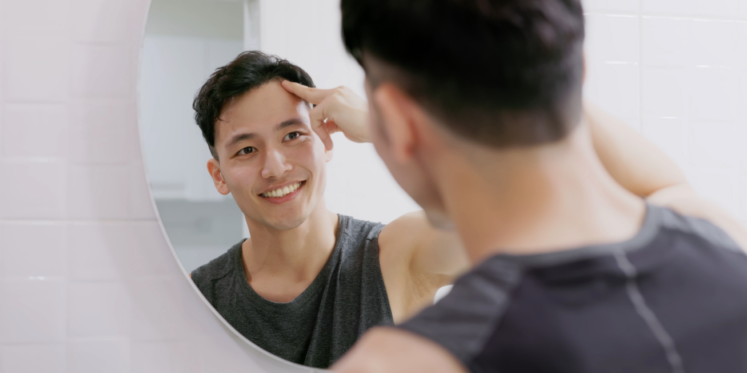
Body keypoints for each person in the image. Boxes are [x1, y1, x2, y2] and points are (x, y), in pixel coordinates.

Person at [318, 0, 747, 372]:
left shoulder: (401, 364)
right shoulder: (722, 235)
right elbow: (659, 183)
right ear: (578, 71)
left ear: (398, 121)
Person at [189, 51, 469, 369]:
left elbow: (524, 224)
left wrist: (383, 129)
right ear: (218, 176)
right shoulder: (194, 299)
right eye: (247, 149)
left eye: (293, 135)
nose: (275, 168)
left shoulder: (400, 254)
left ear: (325, 142)